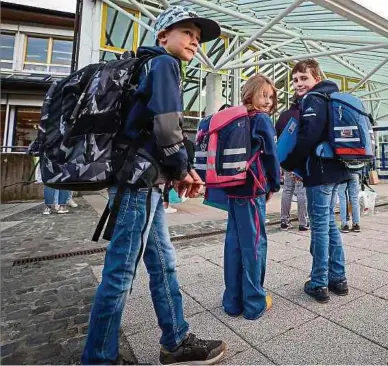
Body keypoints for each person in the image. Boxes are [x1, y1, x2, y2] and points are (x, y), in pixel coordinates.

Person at [82, 6, 226, 365]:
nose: (195, 39)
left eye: (198, 36)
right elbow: (166, 127)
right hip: (138, 185)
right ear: (163, 36)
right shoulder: (163, 64)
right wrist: (183, 168)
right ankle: (98, 357)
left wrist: (181, 170)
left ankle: (175, 340)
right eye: (187, 32)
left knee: (163, 263)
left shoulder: (145, 66)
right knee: (120, 273)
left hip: (144, 181)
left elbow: (154, 133)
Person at [281, 59, 350, 303]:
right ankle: (339, 279)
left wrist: (288, 163)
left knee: (320, 226)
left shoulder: (313, 99)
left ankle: (319, 282)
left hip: (319, 173)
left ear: (316, 79)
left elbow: (308, 137)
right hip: (336, 172)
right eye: (295, 80)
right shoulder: (331, 97)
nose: (299, 84)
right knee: (329, 223)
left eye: (304, 78)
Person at [222, 74, 280, 320]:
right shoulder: (261, 119)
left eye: (271, 97)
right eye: (263, 95)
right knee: (255, 245)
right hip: (253, 189)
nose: (268, 101)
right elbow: (271, 157)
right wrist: (274, 184)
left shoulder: (232, 117)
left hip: (232, 187)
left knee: (233, 244)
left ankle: (232, 302)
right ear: (250, 94)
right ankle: (255, 303)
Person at [275, 95, 309, 231]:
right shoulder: (303, 116)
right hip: (299, 159)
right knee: (301, 191)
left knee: (287, 189)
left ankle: (284, 221)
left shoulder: (284, 115)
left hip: (285, 158)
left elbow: (277, 136)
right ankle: (303, 222)